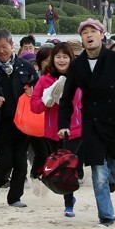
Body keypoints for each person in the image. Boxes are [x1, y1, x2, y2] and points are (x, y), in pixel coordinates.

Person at [58, 18, 115, 227]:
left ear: (102, 34)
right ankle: (106, 216)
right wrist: (63, 124)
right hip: (92, 123)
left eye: (93, 31)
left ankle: (112, 179)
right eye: (85, 32)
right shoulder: (78, 65)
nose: (89, 35)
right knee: (98, 173)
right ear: (81, 38)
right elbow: (66, 98)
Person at [0, 29, 38, 207]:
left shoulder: (24, 66)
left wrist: (31, 91)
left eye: (4, 46)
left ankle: (15, 198)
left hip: (22, 122)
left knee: (20, 162)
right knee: (5, 161)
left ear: (11, 45)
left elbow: (35, 86)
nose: (1, 51)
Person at [31, 42, 83, 217]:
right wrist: (47, 101)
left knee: (67, 164)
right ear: (53, 59)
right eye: (58, 56)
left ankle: (69, 205)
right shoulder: (45, 79)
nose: (62, 60)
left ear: (71, 58)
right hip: (52, 131)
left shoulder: (79, 78)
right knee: (57, 169)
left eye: (65, 56)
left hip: (75, 129)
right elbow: (35, 106)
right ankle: (68, 198)